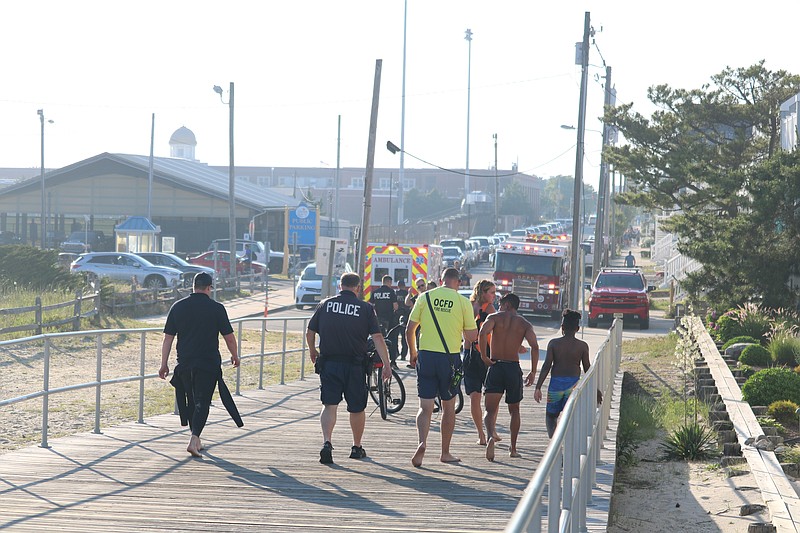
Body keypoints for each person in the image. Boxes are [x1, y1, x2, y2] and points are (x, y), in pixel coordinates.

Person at [307, 272, 391, 465]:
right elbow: (377, 338)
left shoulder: (325, 305)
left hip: (330, 363)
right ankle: (356, 446)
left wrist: (313, 351)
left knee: (329, 405)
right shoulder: (365, 308)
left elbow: (310, 331)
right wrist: (386, 364)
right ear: (358, 288)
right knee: (357, 407)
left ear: (340, 286)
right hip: (355, 366)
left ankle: (327, 443)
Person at [159, 272, 241, 457]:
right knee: (202, 402)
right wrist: (235, 355)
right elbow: (229, 338)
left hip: (185, 363)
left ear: (193, 286)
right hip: (208, 363)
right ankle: (193, 439)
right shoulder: (216, 308)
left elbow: (168, 339)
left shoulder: (177, 307)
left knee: (191, 401)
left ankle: (197, 440)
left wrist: (164, 364)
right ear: (209, 288)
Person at [405, 267, 477, 467]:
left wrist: (413, 352)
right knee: (448, 407)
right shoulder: (463, 302)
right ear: (458, 283)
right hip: (450, 358)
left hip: (426, 355)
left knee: (425, 406)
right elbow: (472, 337)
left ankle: (422, 442)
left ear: (440, 280)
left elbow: (410, 328)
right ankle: (445, 452)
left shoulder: (424, 297)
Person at [478, 292, 539, 460]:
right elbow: (534, 346)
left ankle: (490, 436)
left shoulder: (495, 317)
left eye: (501, 303)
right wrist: (533, 371)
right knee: (514, 410)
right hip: (513, 368)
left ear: (508, 305)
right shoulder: (524, 324)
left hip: (496, 366)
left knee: (489, 410)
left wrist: (484, 356)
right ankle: (513, 448)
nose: (498, 306)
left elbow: (483, 333)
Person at [534, 309, 602, 438]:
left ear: (562, 327)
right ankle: (568, 440)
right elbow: (588, 369)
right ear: (577, 328)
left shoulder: (553, 344)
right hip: (573, 386)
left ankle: (553, 441)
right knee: (570, 416)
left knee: (551, 416)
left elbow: (546, 366)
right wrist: (596, 389)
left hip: (555, 385)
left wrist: (538, 387)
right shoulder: (582, 346)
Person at [464, 279, 497, 446]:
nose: (494, 295)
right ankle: (482, 433)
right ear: (483, 293)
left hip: (482, 353)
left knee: (488, 396)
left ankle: (489, 431)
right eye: (491, 292)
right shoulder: (478, 308)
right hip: (475, 354)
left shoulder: (487, 308)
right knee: (476, 396)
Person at [370, 275, 399, 366]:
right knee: (392, 340)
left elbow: (370, 305)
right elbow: (395, 306)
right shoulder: (391, 292)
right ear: (389, 282)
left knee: (377, 339)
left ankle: (377, 359)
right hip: (390, 320)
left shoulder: (375, 292)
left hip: (378, 320)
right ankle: (392, 361)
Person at [394, 280, 410, 360]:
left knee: (395, 336)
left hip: (396, 316)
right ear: (404, 286)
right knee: (404, 337)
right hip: (405, 316)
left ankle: (396, 352)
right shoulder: (407, 294)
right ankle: (403, 355)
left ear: (398, 286)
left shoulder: (395, 294)